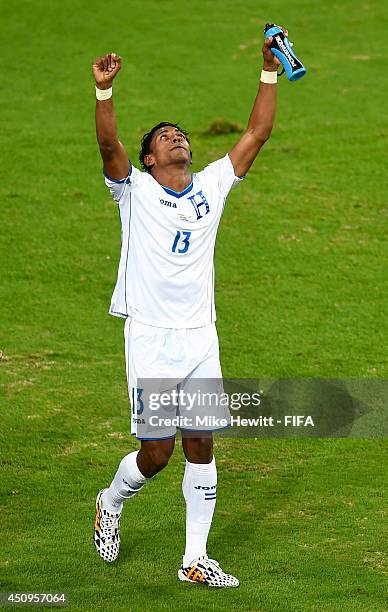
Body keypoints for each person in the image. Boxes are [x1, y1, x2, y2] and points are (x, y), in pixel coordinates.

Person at [92, 25, 286, 588]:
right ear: (149, 159)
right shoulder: (133, 190)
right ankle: (111, 499)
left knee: (201, 443)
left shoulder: (212, 186)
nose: (177, 139)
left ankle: (194, 560)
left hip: (201, 334)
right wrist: (105, 93)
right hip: (152, 336)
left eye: (181, 135)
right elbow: (109, 148)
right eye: (165, 138)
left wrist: (268, 68)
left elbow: (258, 132)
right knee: (156, 454)